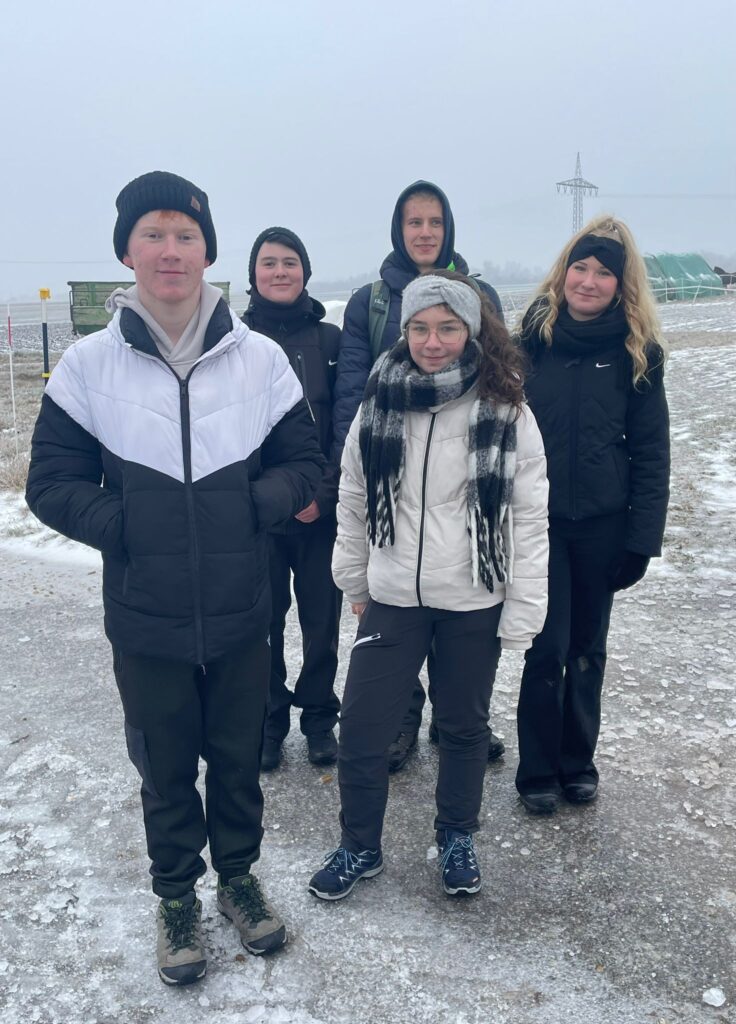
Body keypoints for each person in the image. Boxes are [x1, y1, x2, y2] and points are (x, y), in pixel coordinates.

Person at [25, 171, 325, 986]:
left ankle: (239, 879)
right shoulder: (89, 365)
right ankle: (175, 897)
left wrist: (250, 505)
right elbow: (50, 484)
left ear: (208, 252)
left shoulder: (258, 360)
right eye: (152, 234)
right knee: (164, 768)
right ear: (127, 251)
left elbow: (305, 463)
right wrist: (126, 526)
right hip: (144, 614)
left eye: (185, 236)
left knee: (237, 759)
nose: (170, 250)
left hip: (241, 608)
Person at [308, 271, 549, 901]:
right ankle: (359, 845)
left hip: (473, 597)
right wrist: (354, 578)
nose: (432, 341)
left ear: (471, 332)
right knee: (362, 730)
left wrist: (523, 606)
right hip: (393, 595)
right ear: (404, 330)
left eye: (447, 327)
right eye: (419, 327)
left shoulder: (506, 409)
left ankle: (457, 836)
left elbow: (527, 517)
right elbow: (354, 495)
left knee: (464, 728)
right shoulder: (378, 402)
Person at [333, 180, 507, 772]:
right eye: (414, 222)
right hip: (392, 468)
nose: (425, 232)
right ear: (398, 230)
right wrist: (355, 461)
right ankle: (401, 719)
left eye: (435, 222)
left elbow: (501, 373)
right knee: (398, 602)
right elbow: (353, 386)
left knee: (460, 603)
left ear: (448, 228)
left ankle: (461, 720)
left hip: (462, 467)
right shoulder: (371, 301)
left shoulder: (480, 294)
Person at [514, 216, 670, 815]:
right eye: (579, 268)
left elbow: (652, 452)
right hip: (540, 524)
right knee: (544, 648)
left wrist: (641, 540)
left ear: (620, 285)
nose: (588, 280)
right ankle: (536, 771)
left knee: (586, 648)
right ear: (563, 274)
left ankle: (577, 764)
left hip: (603, 525)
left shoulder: (637, 353)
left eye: (604, 273)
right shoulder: (530, 344)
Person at [242, 227, 341, 772]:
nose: (280, 272)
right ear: (253, 273)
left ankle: (320, 718)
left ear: (305, 271)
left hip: (320, 513)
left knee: (321, 623)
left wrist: (322, 492)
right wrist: (266, 496)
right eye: (269, 263)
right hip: (260, 514)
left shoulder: (330, 341)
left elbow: (344, 424)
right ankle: (268, 720)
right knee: (264, 623)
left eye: (289, 262)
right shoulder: (235, 340)